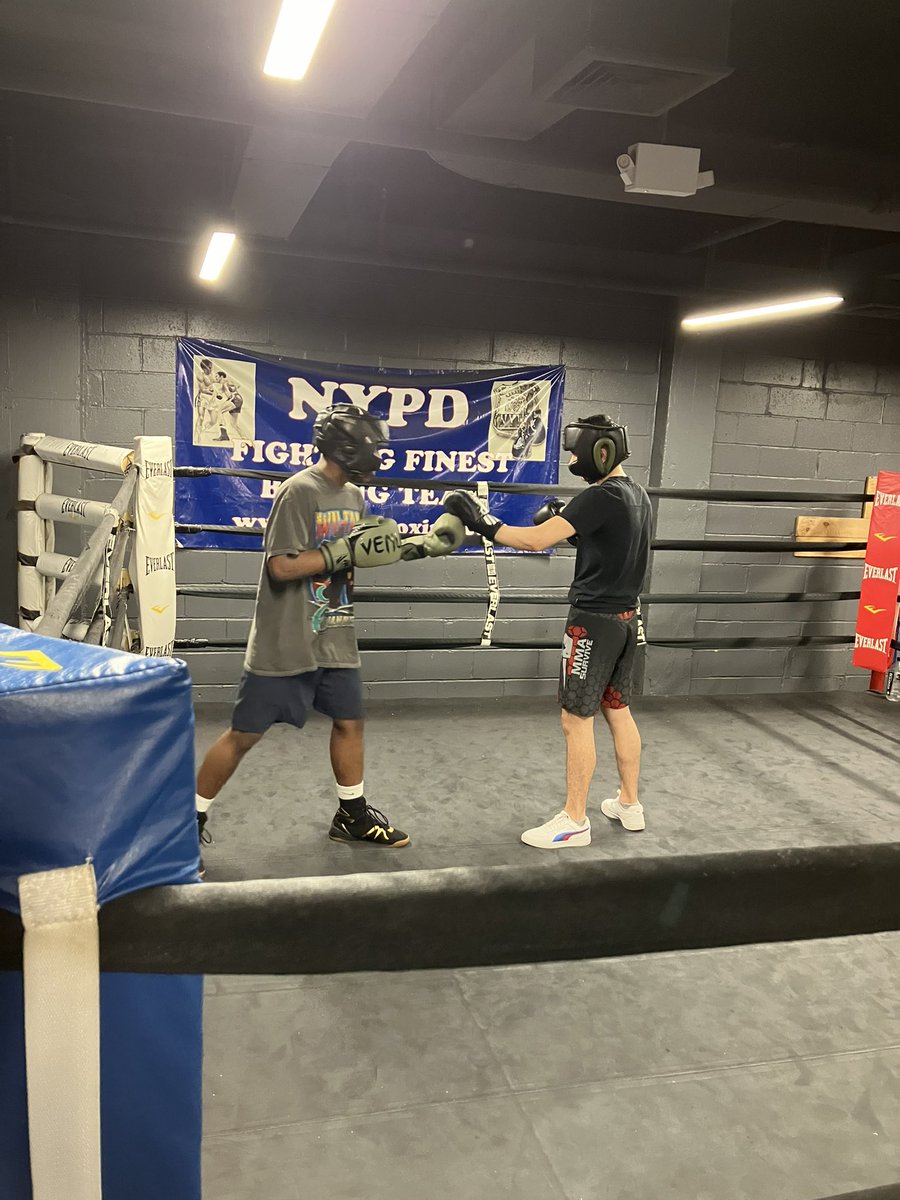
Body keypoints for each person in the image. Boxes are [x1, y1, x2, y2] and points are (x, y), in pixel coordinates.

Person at [195, 403, 465, 873]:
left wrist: (421, 546)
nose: (379, 459)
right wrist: (337, 552)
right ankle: (185, 824)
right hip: (287, 639)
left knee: (350, 722)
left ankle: (351, 814)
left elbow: (360, 552)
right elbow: (281, 567)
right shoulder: (299, 492)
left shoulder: (354, 498)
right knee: (244, 735)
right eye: (373, 449)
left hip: (334, 630)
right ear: (347, 447)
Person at [444, 413, 652, 850]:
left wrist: (482, 522)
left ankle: (574, 820)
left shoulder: (599, 496)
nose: (572, 457)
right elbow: (613, 545)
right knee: (618, 710)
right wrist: (577, 534)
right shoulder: (637, 494)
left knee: (576, 719)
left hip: (593, 623)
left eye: (577, 450)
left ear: (601, 450)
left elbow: (533, 540)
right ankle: (629, 804)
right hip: (628, 620)